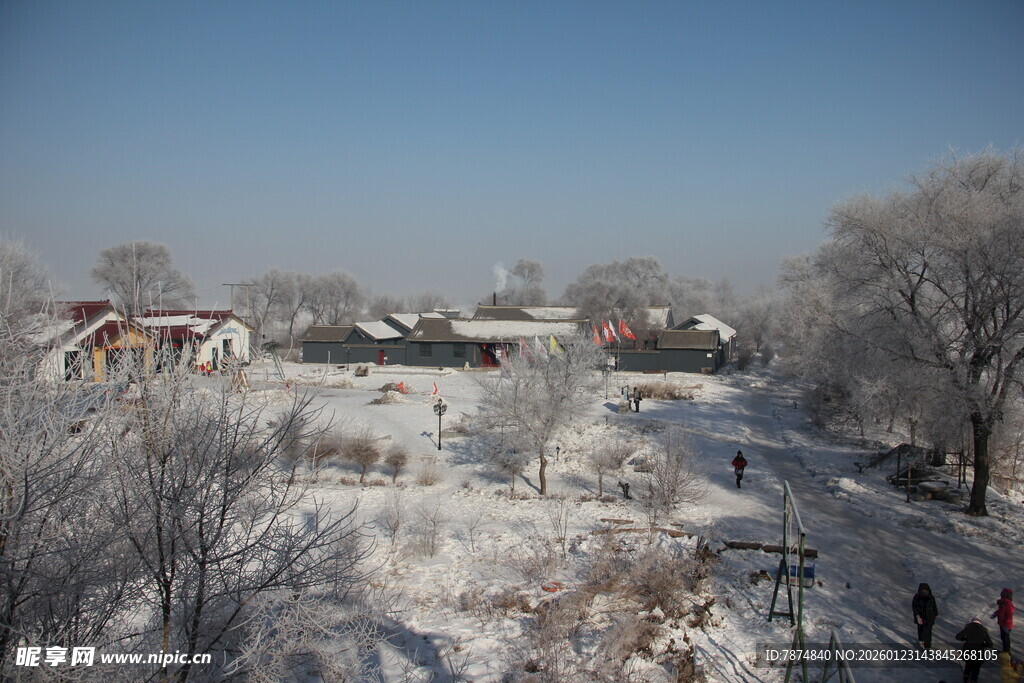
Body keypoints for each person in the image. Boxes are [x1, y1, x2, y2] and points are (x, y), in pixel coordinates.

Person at [956, 615, 993, 682]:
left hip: (968, 651)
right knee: (976, 668)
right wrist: (983, 645)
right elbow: (990, 644)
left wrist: (965, 639)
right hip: (979, 652)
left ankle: (966, 679)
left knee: (968, 665)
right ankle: (974, 679)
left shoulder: (968, 628)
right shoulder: (983, 630)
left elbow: (958, 637)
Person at [912, 583, 938, 649]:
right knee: (920, 629)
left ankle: (927, 646)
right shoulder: (917, 597)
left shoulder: (931, 597)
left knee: (928, 631)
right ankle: (921, 639)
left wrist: (935, 614)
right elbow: (914, 607)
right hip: (920, 616)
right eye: (923, 590)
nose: (925, 592)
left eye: (926, 590)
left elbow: (934, 606)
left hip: (929, 616)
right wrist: (917, 616)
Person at [992, 587, 1014, 653]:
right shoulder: (1002, 603)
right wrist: (995, 614)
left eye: (1003, 594)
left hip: (1006, 624)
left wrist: (1006, 624)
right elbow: (1000, 611)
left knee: (1005, 638)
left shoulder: (1008, 604)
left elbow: (1009, 614)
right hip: (1002, 623)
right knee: (1003, 637)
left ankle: (1007, 651)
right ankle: (1005, 650)